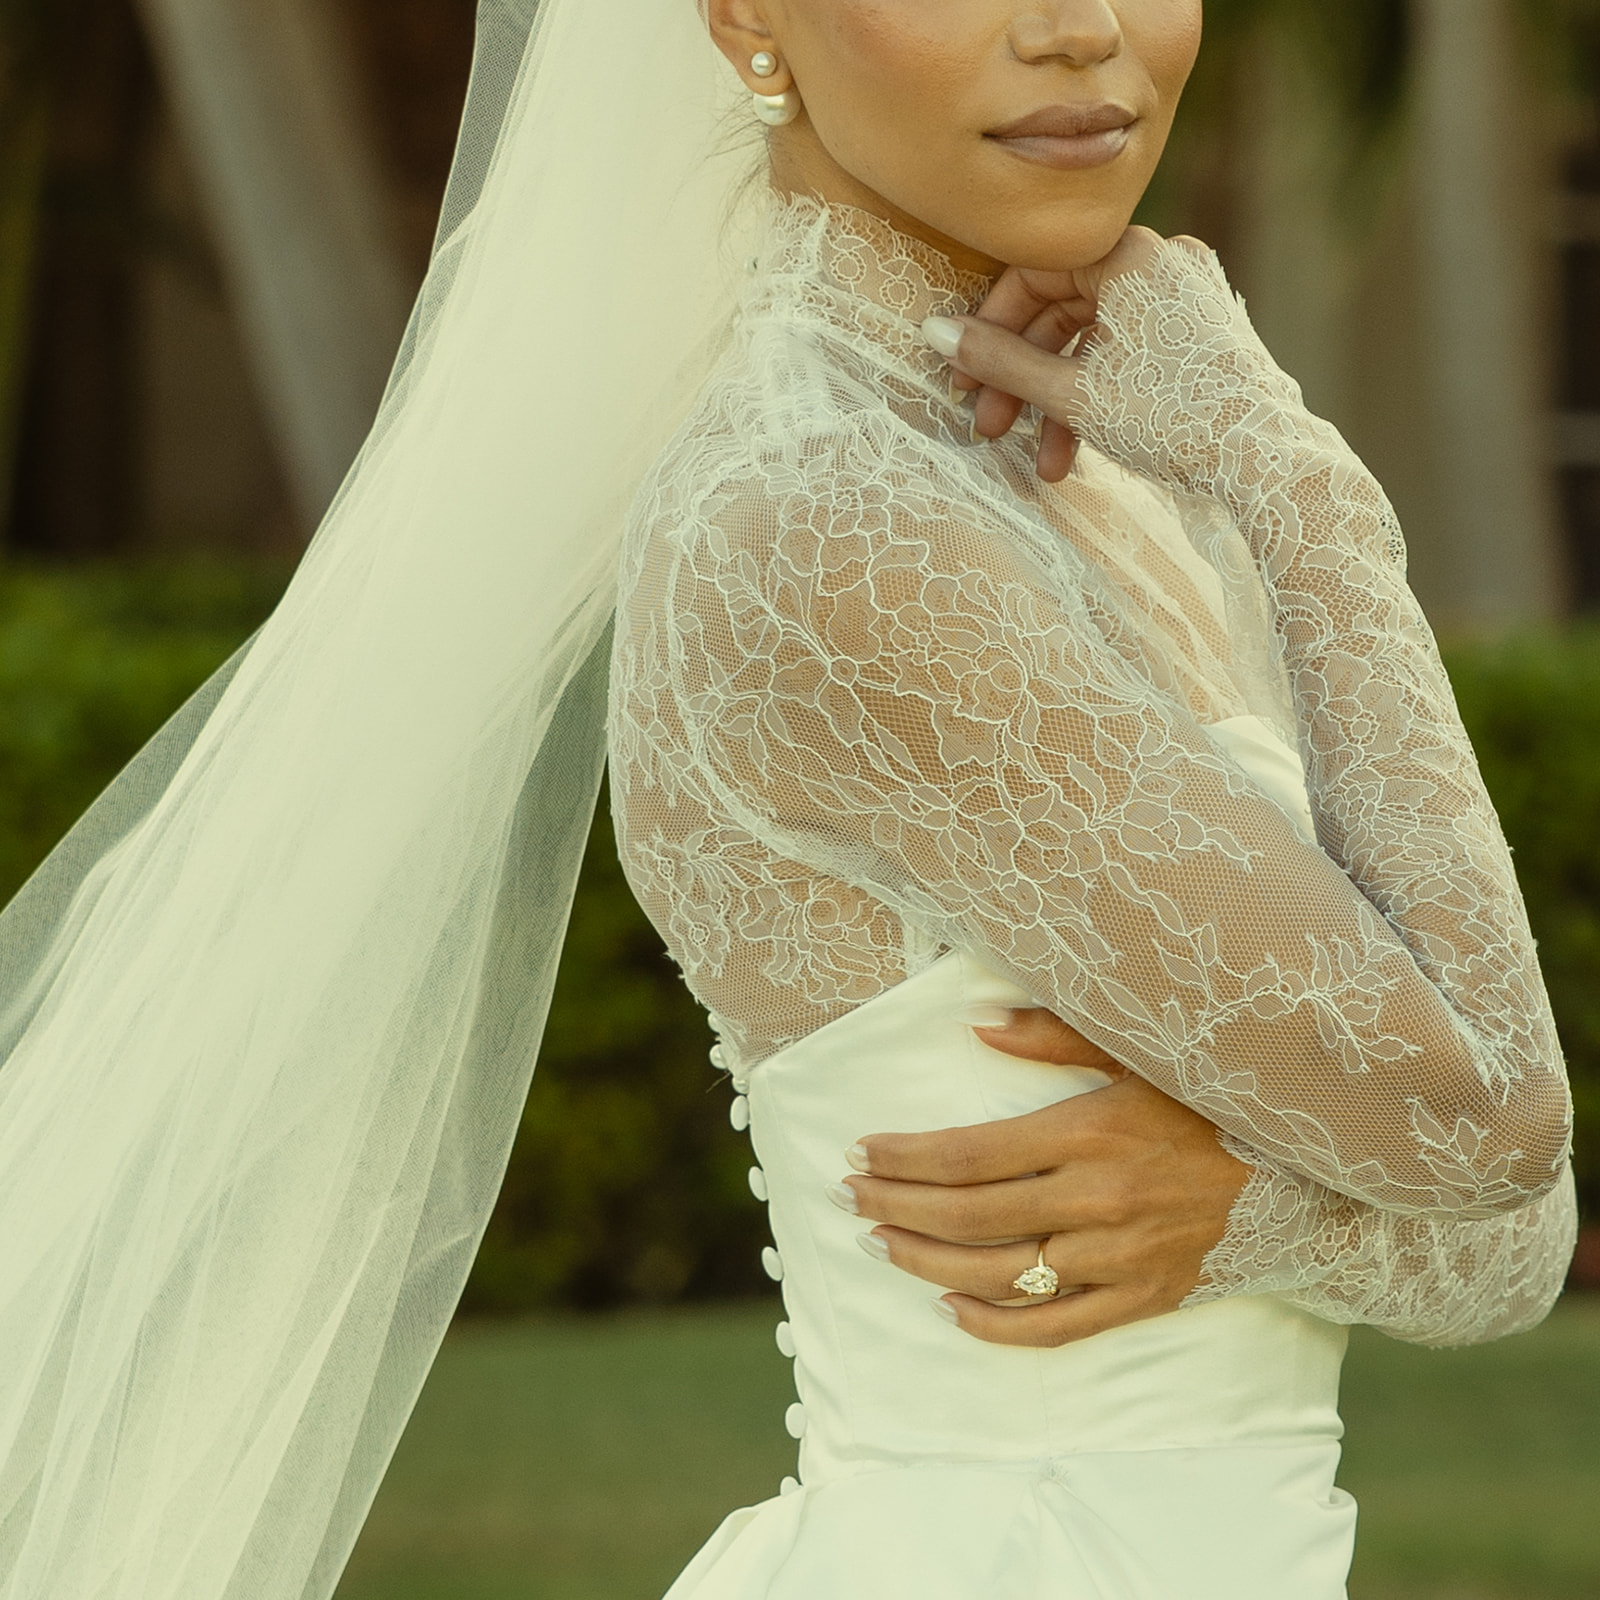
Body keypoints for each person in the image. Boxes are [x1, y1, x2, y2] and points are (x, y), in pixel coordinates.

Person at [0, 2, 1574, 1597]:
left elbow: (1511, 1236)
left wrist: (1257, 1212)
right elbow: (1495, 1119)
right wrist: (1310, 495)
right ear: (746, 17)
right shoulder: (823, 529)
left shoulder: (1115, 452)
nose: (1080, 29)